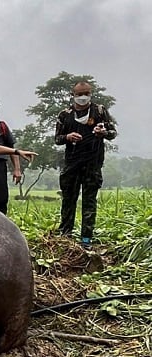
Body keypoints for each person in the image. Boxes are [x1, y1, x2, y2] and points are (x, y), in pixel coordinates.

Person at [55, 81, 117, 249]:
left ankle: (86, 239)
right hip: (72, 164)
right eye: (79, 94)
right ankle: (65, 235)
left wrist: (103, 132)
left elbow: (113, 133)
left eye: (86, 93)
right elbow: (57, 139)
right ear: (73, 95)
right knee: (68, 200)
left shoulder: (99, 111)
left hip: (93, 164)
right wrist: (68, 137)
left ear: (91, 94)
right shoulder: (65, 115)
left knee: (89, 201)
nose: (82, 97)